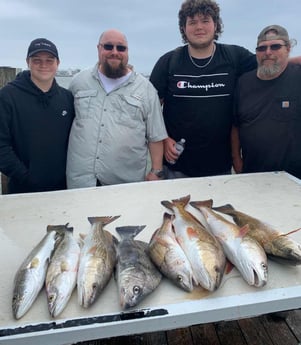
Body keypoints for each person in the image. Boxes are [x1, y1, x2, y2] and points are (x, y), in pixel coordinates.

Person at [150, 0, 259, 179]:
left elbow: (272, 63)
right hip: (176, 167)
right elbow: (150, 111)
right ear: (183, 28)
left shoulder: (235, 57)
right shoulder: (169, 62)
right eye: (192, 22)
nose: (199, 27)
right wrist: (164, 138)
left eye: (205, 21)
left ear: (216, 25)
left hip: (221, 168)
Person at [66, 29, 167, 188]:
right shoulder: (78, 82)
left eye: (121, 48)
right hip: (80, 182)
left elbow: (155, 136)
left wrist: (156, 171)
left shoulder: (146, 89)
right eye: (108, 46)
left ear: (127, 52)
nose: (115, 52)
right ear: (98, 48)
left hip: (125, 184)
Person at [0, 38, 75, 194]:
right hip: (23, 189)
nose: (43, 65)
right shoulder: (7, 96)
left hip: (63, 189)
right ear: (28, 62)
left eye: (49, 60)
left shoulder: (67, 98)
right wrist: (26, 177)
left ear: (58, 63)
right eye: (37, 60)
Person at [232, 25, 301, 180]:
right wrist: (236, 160)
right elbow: (235, 125)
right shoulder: (243, 83)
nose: (268, 52)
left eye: (275, 46)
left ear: (288, 49)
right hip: (253, 176)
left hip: (295, 179)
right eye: (262, 48)